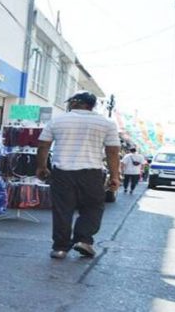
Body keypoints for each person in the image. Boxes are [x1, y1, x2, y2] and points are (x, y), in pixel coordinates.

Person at [36, 91, 121, 259]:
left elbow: (43, 145)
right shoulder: (106, 123)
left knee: (62, 210)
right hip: (92, 173)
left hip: (62, 173)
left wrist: (41, 167)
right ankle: (84, 240)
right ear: (92, 105)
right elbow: (113, 152)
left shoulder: (57, 120)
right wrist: (115, 176)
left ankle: (60, 248)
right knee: (92, 207)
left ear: (75, 103)